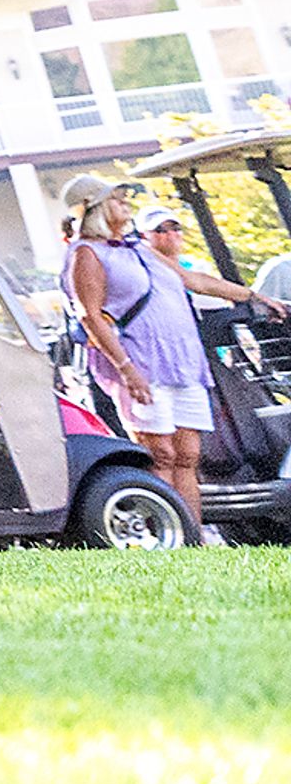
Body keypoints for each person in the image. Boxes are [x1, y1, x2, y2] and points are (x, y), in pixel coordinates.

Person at [68, 176, 283, 539]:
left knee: (187, 455)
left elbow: (192, 280)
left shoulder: (137, 248)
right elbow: (90, 315)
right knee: (159, 455)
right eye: (117, 199)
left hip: (182, 362)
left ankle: (191, 538)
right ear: (96, 207)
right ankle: (164, 537)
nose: (126, 203)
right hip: (141, 364)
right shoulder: (88, 253)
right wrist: (126, 369)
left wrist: (252, 296)